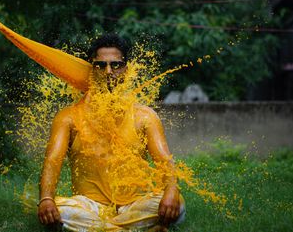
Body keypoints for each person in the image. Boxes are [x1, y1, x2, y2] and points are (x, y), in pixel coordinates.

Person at [38, 34, 185, 231]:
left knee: (177, 204)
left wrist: (171, 190)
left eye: (115, 65)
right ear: (92, 70)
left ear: (127, 69)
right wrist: (46, 199)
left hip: (133, 205)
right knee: (58, 209)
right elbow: (52, 161)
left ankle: (103, 229)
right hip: (90, 207)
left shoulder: (145, 116)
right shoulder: (68, 117)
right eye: (100, 65)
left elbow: (164, 160)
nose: (108, 71)